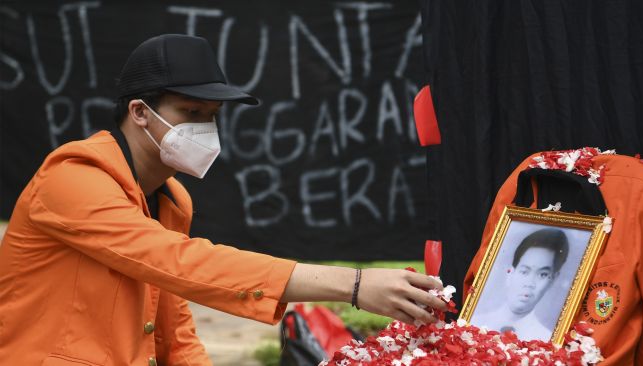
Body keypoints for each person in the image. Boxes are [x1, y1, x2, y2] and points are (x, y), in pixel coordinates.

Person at [0, 34, 445, 365]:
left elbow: (174, 329)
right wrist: (352, 285)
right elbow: (180, 262)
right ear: (139, 112)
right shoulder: (72, 179)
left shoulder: (172, 200)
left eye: (212, 117)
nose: (204, 129)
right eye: (190, 113)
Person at [471, 228, 569, 340]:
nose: (530, 283)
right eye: (524, 271)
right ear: (510, 273)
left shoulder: (546, 338)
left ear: (553, 280)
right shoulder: (473, 323)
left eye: (542, 274)